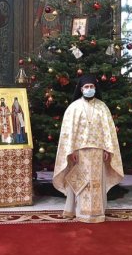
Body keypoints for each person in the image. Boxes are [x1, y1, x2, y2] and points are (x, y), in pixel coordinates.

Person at [52, 78, 123, 223]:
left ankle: (98, 212)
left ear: (95, 88)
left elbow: (108, 131)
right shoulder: (74, 108)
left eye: (92, 86)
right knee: (80, 180)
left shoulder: (102, 107)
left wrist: (107, 149)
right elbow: (68, 133)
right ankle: (77, 211)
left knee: (97, 182)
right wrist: (71, 151)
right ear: (81, 89)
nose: (89, 89)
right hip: (79, 153)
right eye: (86, 86)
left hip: (98, 152)